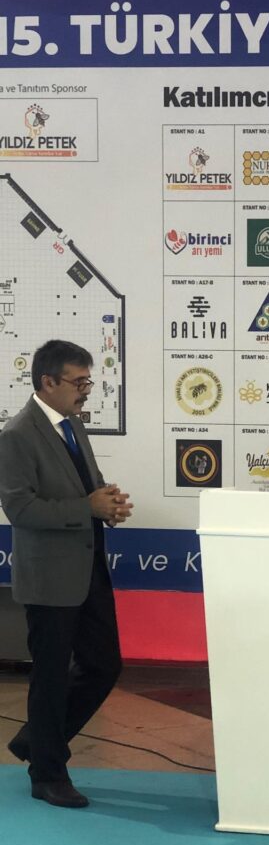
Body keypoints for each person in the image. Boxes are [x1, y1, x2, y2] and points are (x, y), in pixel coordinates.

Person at [0, 340, 133, 808]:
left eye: (88, 381)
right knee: (52, 676)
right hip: (50, 577)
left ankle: (37, 740)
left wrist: (107, 504)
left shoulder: (72, 424)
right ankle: (47, 774)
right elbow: (20, 509)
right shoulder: (17, 434)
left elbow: (84, 488)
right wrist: (86, 508)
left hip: (89, 566)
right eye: (78, 382)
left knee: (104, 664)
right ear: (48, 382)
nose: (86, 390)